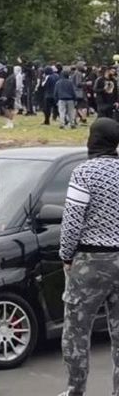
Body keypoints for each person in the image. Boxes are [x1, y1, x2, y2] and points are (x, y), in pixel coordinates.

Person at [59, 118, 119, 396]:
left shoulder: (84, 173)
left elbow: (72, 220)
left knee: (76, 331)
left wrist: (66, 255)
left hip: (91, 261)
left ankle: (75, 389)